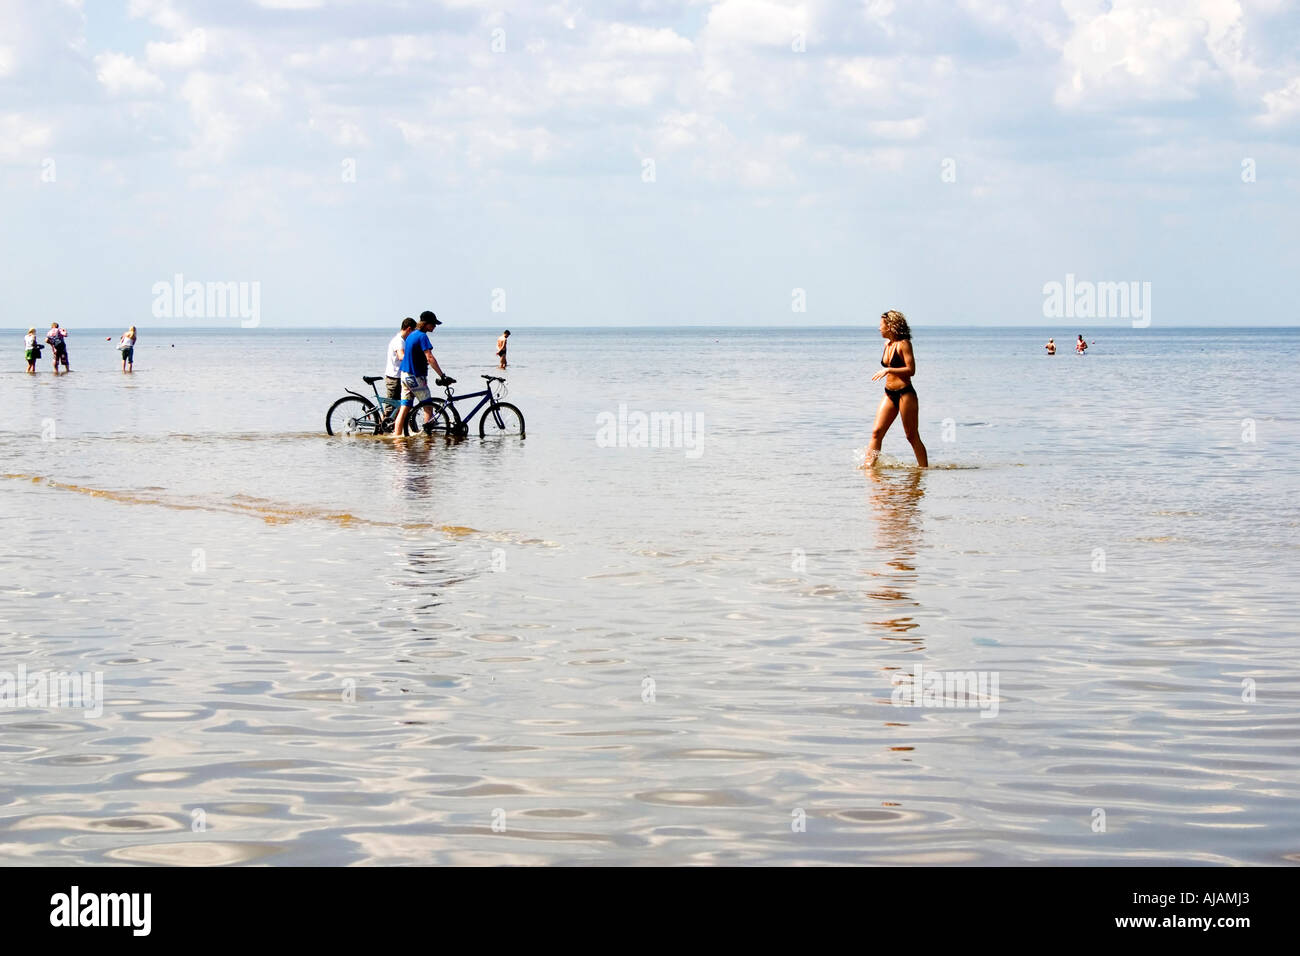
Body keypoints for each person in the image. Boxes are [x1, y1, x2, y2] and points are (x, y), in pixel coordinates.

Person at [867, 310, 928, 468]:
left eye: (881, 325)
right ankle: (869, 468)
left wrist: (889, 370)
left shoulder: (904, 344)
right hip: (889, 394)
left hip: (905, 394)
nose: (879, 329)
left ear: (890, 326)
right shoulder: (887, 345)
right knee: (876, 432)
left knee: (911, 436)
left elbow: (911, 370)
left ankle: (923, 470)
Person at [392, 311, 452, 437]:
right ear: (426, 324)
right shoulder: (422, 336)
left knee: (404, 408)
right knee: (428, 407)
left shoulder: (411, 335)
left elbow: (413, 356)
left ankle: (397, 438)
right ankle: (427, 439)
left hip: (405, 376)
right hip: (415, 377)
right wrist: (442, 375)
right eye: (433, 324)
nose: (435, 326)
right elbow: (429, 357)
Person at [384, 318, 417, 422]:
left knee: (400, 407)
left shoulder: (402, 340)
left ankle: (394, 430)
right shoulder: (399, 341)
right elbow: (401, 356)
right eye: (413, 331)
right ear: (409, 329)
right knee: (391, 409)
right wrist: (416, 360)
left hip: (398, 377)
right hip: (394, 378)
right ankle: (381, 433)